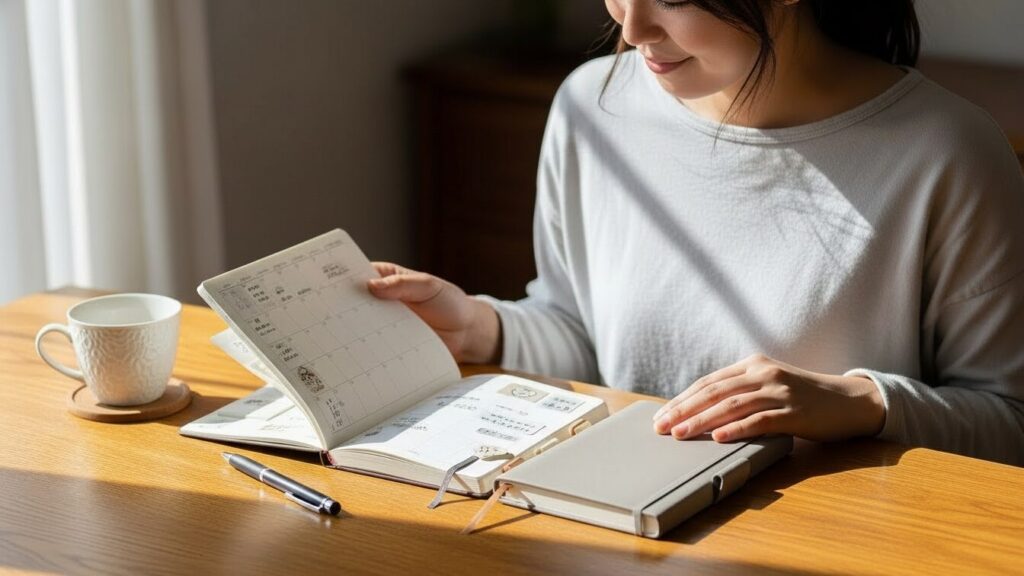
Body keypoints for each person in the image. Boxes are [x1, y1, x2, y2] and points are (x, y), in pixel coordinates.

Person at [369, 0, 1024, 465]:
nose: (631, 26)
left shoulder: (946, 152)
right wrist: (483, 327)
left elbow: (1009, 425)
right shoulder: (592, 105)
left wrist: (862, 403)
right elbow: (585, 338)